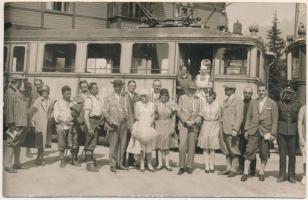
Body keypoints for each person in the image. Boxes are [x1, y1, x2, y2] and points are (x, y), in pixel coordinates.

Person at [240, 84, 278, 182]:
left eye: (263, 90)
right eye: (259, 91)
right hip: (253, 130)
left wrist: (273, 133)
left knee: (264, 153)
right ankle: (245, 172)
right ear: (257, 92)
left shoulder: (272, 103)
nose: (261, 92)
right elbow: (248, 117)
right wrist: (246, 130)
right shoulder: (253, 102)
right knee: (249, 151)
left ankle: (261, 172)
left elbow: (275, 120)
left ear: (266, 91)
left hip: (265, 132)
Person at [127, 89, 157, 172]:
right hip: (140, 126)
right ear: (140, 97)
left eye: (146, 96)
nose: (144, 98)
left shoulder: (151, 104)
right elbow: (136, 116)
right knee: (141, 146)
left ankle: (149, 164)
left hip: (148, 126)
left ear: (148, 96)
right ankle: (142, 163)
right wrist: (143, 124)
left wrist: (150, 124)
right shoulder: (137, 104)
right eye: (142, 96)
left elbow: (153, 116)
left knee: (149, 146)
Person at [4, 74, 29, 173]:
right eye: (21, 81)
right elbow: (9, 109)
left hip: (21, 122)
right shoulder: (10, 92)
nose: (22, 83)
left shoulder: (17, 91)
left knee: (18, 143)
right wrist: (11, 123)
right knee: (11, 143)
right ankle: (8, 165)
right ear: (17, 81)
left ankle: (17, 163)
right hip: (14, 123)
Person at [177, 81, 203, 175]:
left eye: (194, 89)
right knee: (182, 146)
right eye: (190, 89)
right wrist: (185, 121)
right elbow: (178, 111)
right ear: (187, 89)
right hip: (184, 125)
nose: (192, 91)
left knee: (192, 146)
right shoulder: (182, 98)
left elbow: (201, 113)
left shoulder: (199, 99)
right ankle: (181, 166)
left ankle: (189, 166)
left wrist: (194, 121)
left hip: (193, 125)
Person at [277, 86, 301, 183]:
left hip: (293, 132)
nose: (288, 95)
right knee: (282, 154)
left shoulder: (298, 105)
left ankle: (291, 176)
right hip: (281, 131)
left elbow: (300, 120)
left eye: (290, 93)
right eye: (286, 93)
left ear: (294, 94)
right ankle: (282, 175)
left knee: (292, 154)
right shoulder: (280, 104)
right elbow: (277, 118)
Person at [103, 79, 128, 173]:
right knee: (113, 145)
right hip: (114, 124)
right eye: (116, 86)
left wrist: (127, 121)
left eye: (120, 86)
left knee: (123, 144)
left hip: (124, 123)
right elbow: (104, 112)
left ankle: (120, 163)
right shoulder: (108, 98)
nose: (118, 87)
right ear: (113, 86)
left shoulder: (124, 98)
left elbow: (127, 110)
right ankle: (113, 164)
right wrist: (112, 121)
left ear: (121, 87)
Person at [219, 83, 243, 178]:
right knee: (226, 149)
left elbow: (239, 117)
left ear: (231, 90)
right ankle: (228, 168)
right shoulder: (226, 101)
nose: (225, 91)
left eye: (226, 89)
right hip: (224, 128)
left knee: (234, 149)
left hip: (232, 129)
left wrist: (236, 129)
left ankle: (233, 169)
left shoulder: (238, 101)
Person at [197, 90, 221, 173]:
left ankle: (212, 165)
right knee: (206, 146)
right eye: (206, 96)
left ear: (213, 96)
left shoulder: (218, 104)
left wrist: (219, 128)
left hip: (215, 125)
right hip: (206, 125)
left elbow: (220, 117)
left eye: (209, 96)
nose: (207, 97)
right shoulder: (203, 104)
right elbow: (200, 115)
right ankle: (206, 165)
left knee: (213, 147)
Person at [31, 85, 53, 166]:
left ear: (48, 92)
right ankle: (40, 157)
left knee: (44, 141)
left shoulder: (51, 101)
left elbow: (52, 111)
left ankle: (39, 157)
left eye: (46, 91)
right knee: (40, 140)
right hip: (39, 122)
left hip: (47, 123)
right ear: (41, 92)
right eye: (43, 91)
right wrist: (33, 122)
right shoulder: (38, 101)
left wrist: (51, 116)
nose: (44, 93)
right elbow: (33, 111)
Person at [155, 88, 177, 171]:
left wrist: (173, 127)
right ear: (160, 96)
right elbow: (155, 117)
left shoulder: (171, 104)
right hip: (159, 125)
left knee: (167, 146)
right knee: (159, 146)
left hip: (168, 124)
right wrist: (156, 112)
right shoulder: (157, 104)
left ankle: (167, 164)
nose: (164, 97)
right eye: (162, 95)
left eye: (165, 96)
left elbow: (174, 117)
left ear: (168, 96)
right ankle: (160, 164)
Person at [83, 82, 104, 172]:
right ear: (91, 90)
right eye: (96, 88)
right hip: (91, 122)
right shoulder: (89, 99)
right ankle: (89, 165)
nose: (97, 90)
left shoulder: (97, 99)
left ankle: (91, 161)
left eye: (98, 88)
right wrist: (89, 128)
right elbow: (86, 115)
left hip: (97, 122)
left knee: (93, 144)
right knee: (90, 145)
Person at [54, 85, 74, 168]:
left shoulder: (72, 102)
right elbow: (56, 116)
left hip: (71, 125)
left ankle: (72, 158)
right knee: (61, 142)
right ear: (62, 94)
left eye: (70, 94)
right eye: (67, 94)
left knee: (72, 142)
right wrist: (64, 121)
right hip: (61, 125)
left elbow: (76, 113)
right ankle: (62, 159)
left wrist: (71, 120)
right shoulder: (58, 103)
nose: (69, 95)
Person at [238, 86, 256, 176]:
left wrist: (249, 129)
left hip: (251, 131)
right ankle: (241, 168)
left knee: (251, 150)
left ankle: (253, 170)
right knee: (241, 149)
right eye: (246, 93)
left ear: (252, 94)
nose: (247, 94)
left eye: (249, 93)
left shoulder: (254, 103)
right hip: (241, 131)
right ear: (243, 93)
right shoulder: (240, 103)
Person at [123, 80, 139, 168]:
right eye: (131, 85)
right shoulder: (124, 95)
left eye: (134, 85)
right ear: (128, 86)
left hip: (135, 122)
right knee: (124, 142)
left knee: (133, 142)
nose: (132, 87)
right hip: (126, 122)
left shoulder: (137, 96)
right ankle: (122, 161)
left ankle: (131, 161)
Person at [73, 80, 89, 152]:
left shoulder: (91, 96)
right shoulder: (76, 97)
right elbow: (74, 110)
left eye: (86, 86)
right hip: (79, 121)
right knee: (76, 140)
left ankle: (87, 156)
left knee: (88, 140)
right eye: (82, 87)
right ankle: (75, 157)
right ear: (80, 88)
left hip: (88, 121)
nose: (84, 88)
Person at [298, 105, 306, 185]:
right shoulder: (303, 108)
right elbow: (300, 123)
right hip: (306, 137)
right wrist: (301, 137)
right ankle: (305, 175)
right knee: (305, 158)